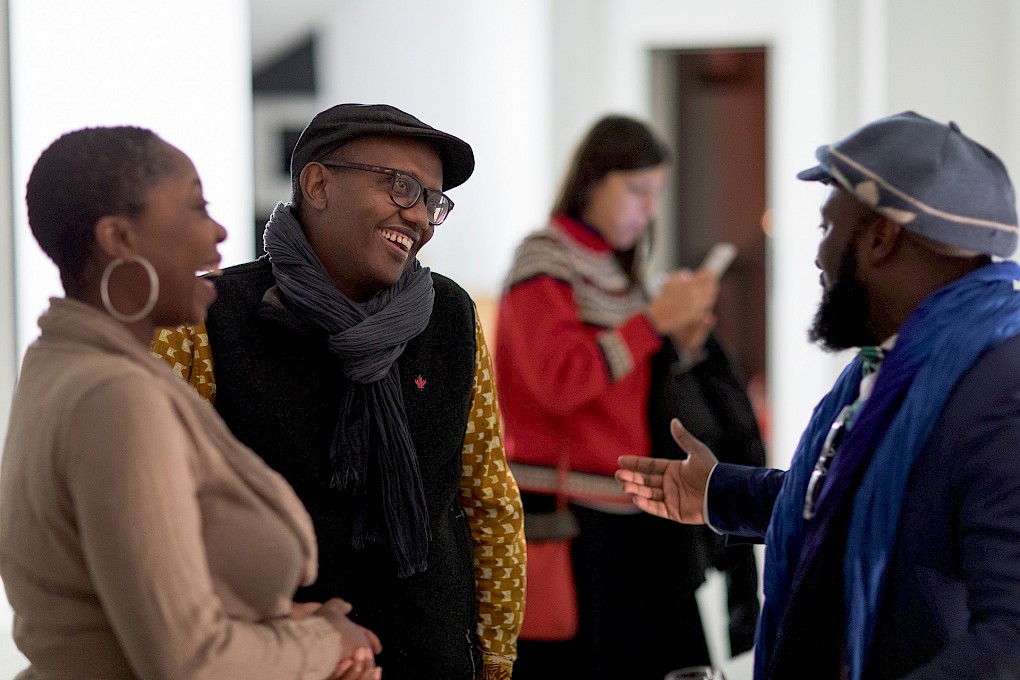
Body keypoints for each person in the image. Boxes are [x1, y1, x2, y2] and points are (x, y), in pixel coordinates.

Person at [617, 111, 1020, 679]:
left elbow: (1009, 641)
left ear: (881, 237)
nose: (818, 257)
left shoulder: (1001, 388)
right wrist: (718, 493)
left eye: (828, 228)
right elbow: (842, 503)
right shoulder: (892, 366)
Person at [151, 103, 525, 680]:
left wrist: (495, 658)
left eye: (433, 201)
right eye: (403, 188)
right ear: (319, 183)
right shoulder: (203, 319)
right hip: (276, 659)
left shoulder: (449, 316)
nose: (421, 217)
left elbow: (486, 496)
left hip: (431, 655)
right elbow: (163, 518)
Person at [0, 126, 382, 679]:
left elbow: (123, 609)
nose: (220, 229)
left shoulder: (60, 364)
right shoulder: (117, 398)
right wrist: (325, 643)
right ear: (119, 239)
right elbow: (190, 661)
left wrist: (280, 630)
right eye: (196, 205)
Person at [495, 114, 764, 679]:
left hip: (632, 508)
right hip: (570, 517)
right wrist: (653, 321)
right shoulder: (543, 258)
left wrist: (683, 343)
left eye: (657, 193)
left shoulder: (622, 274)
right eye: (637, 189)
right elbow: (559, 382)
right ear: (593, 181)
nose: (648, 208)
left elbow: (636, 394)